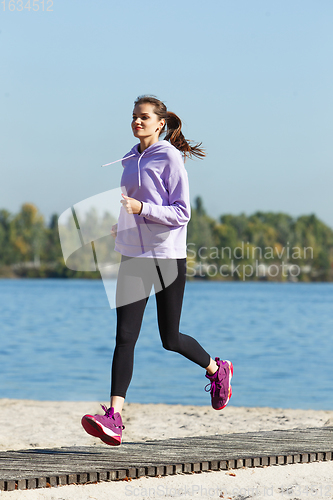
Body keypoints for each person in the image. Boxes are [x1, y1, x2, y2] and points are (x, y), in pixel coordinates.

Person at [81, 95, 233, 446]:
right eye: (134, 116)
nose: (137, 122)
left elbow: (182, 213)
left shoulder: (170, 158)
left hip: (166, 257)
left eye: (144, 117)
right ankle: (114, 417)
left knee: (170, 338)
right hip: (133, 255)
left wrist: (142, 208)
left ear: (160, 123)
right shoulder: (128, 158)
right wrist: (120, 224)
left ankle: (217, 368)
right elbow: (128, 205)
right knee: (125, 337)